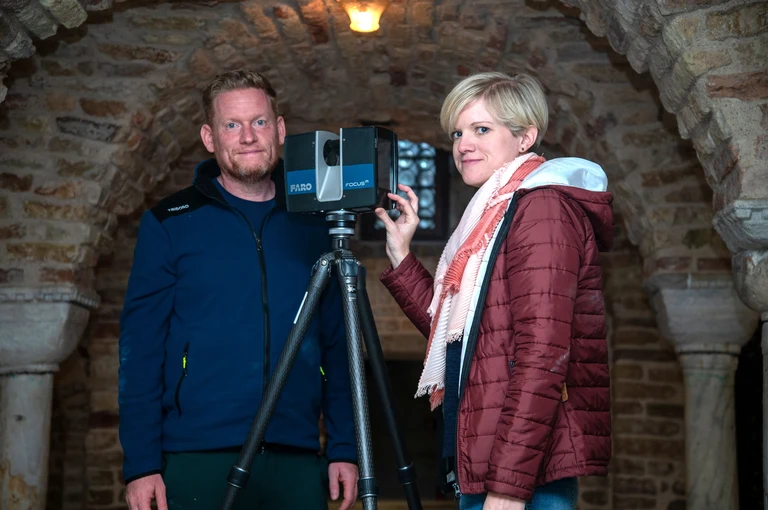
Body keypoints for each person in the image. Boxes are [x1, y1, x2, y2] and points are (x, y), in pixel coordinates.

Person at [118, 70, 359, 510]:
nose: (248, 136)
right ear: (210, 137)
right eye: (232, 125)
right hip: (196, 454)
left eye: (260, 122)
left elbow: (338, 346)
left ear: (280, 129)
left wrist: (345, 448)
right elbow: (141, 350)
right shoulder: (170, 221)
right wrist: (141, 464)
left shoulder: (316, 222)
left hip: (298, 455)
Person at [374, 72, 613, 510]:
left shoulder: (541, 208)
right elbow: (460, 337)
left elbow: (543, 355)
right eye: (458, 132)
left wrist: (508, 487)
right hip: (491, 460)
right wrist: (402, 255)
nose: (463, 144)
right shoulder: (493, 213)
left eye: (482, 129)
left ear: (525, 137)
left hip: (520, 477)